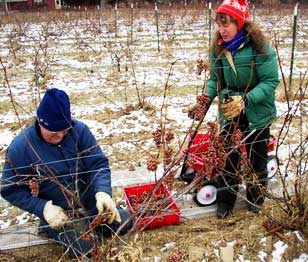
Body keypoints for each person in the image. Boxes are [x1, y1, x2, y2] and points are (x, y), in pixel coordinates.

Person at [1, 88, 132, 258]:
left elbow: (98, 163)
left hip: (90, 205)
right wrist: (43, 208)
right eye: (54, 132)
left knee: (127, 221)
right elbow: (9, 189)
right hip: (61, 215)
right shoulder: (21, 148)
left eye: (64, 130)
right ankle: (54, 230)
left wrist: (102, 192)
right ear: (40, 123)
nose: (60, 136)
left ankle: (90, 225)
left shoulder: (79, 131)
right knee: (87, 250)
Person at [205, 0, 279, 218]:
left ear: (239, 23)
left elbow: (270, 81)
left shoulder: (259, 46)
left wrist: (246, 100)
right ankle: (225, 201)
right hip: (230, 110)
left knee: (257, 158)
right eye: (219, 24)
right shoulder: (219, 47)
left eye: (226, 23)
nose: (222, 29)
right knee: (228, 157)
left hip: (257, 111)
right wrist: (203, 102)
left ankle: (255, 199)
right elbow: (215, 80)